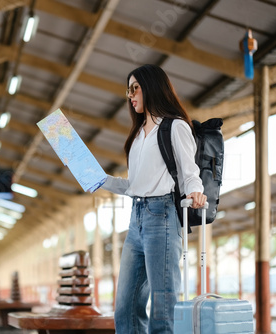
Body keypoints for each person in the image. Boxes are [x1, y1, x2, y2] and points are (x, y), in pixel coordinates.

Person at [100, 64, 207, 333]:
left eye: (135, 88)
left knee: (162, 304)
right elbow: (134, 186)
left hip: (162, 217)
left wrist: (195, 190)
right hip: (135, 218)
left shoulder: (175, 127)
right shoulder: (136, 137)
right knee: (125, 306)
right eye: (128, 89)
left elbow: (189, 171)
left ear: (150, 87)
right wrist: (99, 179)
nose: (130, 95)